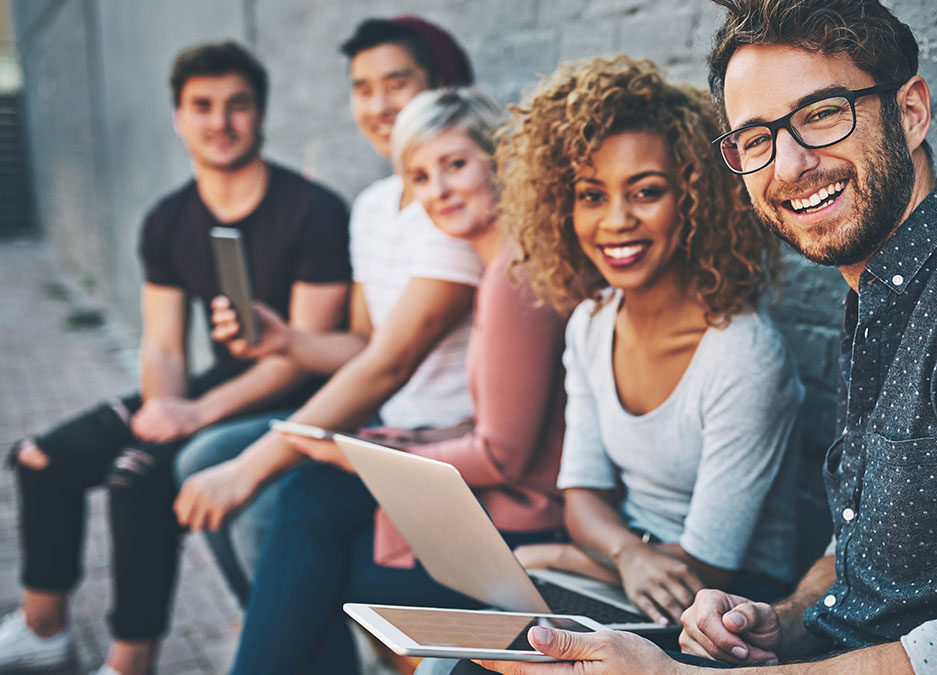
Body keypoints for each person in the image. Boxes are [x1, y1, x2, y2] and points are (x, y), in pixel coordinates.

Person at [479, 1, 937, 674]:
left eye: (822, 113)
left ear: (910, 112)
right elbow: (866, 548)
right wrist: (781, 620)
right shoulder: (888, 292)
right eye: (757, 138)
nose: (789, 166)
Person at [0, 42, 352, 675]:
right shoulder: (167, 220)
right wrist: (165, 403)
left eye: (237, 105)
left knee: (138, 476)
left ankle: (129, 663)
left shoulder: (314, 210)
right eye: (203, 106)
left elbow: (301, 358)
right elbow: (164, 344)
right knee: (39, 459)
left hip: (294, 391)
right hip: (215, 385)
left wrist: (195, 414)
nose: (220, 121)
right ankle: (43, 630)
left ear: (262, 115)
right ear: (178, 117)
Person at [223, 86, 571, 675]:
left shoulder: (513, 279)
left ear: (501, 160)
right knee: (312, 515)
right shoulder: (503, 267)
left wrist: (363, 455)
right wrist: (373, 446)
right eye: (421, 176)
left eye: (455, 165)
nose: (438, 191)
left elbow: (503, 455)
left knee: (326, 551)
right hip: (506, 503)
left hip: (528, 520)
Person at [172, 16, 477, 602]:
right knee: (202, 457)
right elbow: (363, 344)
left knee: (261, 503)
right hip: (379, 416)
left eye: (396, 83)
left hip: (432, 437)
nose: (378, 106)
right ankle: (283, 631)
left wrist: (255, 465)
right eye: (362, 89)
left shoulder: (453, 209)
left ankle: (287, 636)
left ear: (441, 87)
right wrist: (283, 339)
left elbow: (388, 363)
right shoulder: (372, 206)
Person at [494, 56, 806, 628]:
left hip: (725, 606)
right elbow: (582, 497)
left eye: (645, 192)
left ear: (695, 203)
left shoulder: (743, 356)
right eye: (591, 195)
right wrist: (627, 552)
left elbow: (710, 567)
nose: (615, 220)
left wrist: (557, 557)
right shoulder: (591, 323)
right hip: (626, 572)